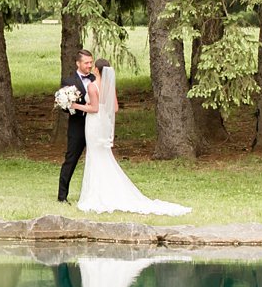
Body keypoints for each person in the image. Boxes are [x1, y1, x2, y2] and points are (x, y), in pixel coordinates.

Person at [67, 58, 191, 216]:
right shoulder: (109, 86)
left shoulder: (92, 86)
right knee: (103, 156)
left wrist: (74, 105)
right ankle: (108, 190)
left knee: (95, 156)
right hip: (103, 124)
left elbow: (94, 108)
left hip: (94, 124)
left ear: (97, 70)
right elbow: (116, 108)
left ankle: (96, 193)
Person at [56, 50, 96, 203]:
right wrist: (75, 105)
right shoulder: (68, 81)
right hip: (77, 126)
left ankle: (95, 194)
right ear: (78, 63)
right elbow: (65, 107)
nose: (89, 66)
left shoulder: (95, 79)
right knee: (71, 159)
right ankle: (62, 196)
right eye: (86, 63)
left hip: (94, 125)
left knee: (96, 159)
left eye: (91, 62)